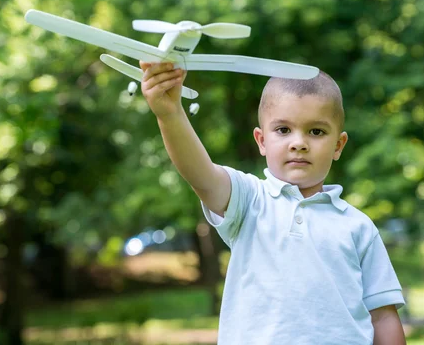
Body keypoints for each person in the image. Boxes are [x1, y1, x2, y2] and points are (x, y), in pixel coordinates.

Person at [139, 61, 406, 345]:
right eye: (283, 130)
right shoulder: (248, 200)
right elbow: (200, 174)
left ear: (338, 145)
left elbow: (383, 316)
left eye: (316, 131)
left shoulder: (358, 227)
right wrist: (170, 114)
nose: (299, 143)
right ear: (261, 140)